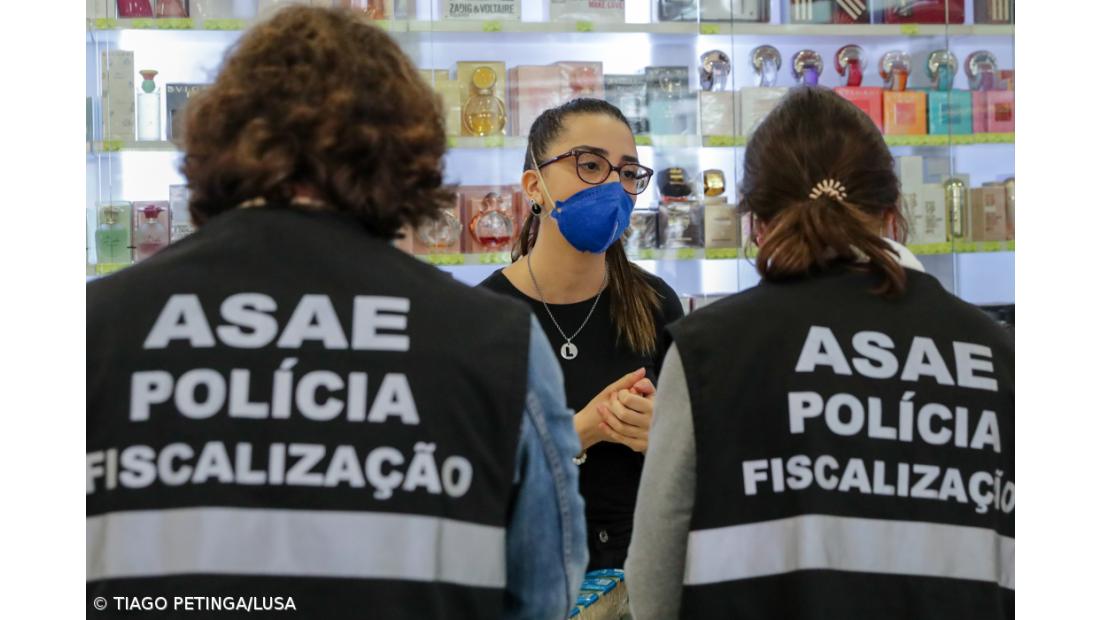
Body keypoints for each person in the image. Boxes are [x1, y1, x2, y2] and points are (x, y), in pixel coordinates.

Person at [86, 7, 586, 619]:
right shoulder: (497, 343)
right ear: (407, 153)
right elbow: (543, 594)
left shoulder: (95, 327)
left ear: (217, 139)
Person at [626, 87, 1014, 619]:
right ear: (892, 212)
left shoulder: (709, 351)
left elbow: (654, 579)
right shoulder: (996, 353)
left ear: (755, 223)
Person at [480, 98, 685, 572]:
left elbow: (697, 465)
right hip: (529, 575)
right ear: (534, 185)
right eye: (590, 165)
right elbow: (466, 474)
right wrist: (581, 432)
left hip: (639, 573)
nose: (614, 187)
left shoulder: (656, 305)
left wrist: (664, 436)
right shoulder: (484, 317)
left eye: (628, 173)